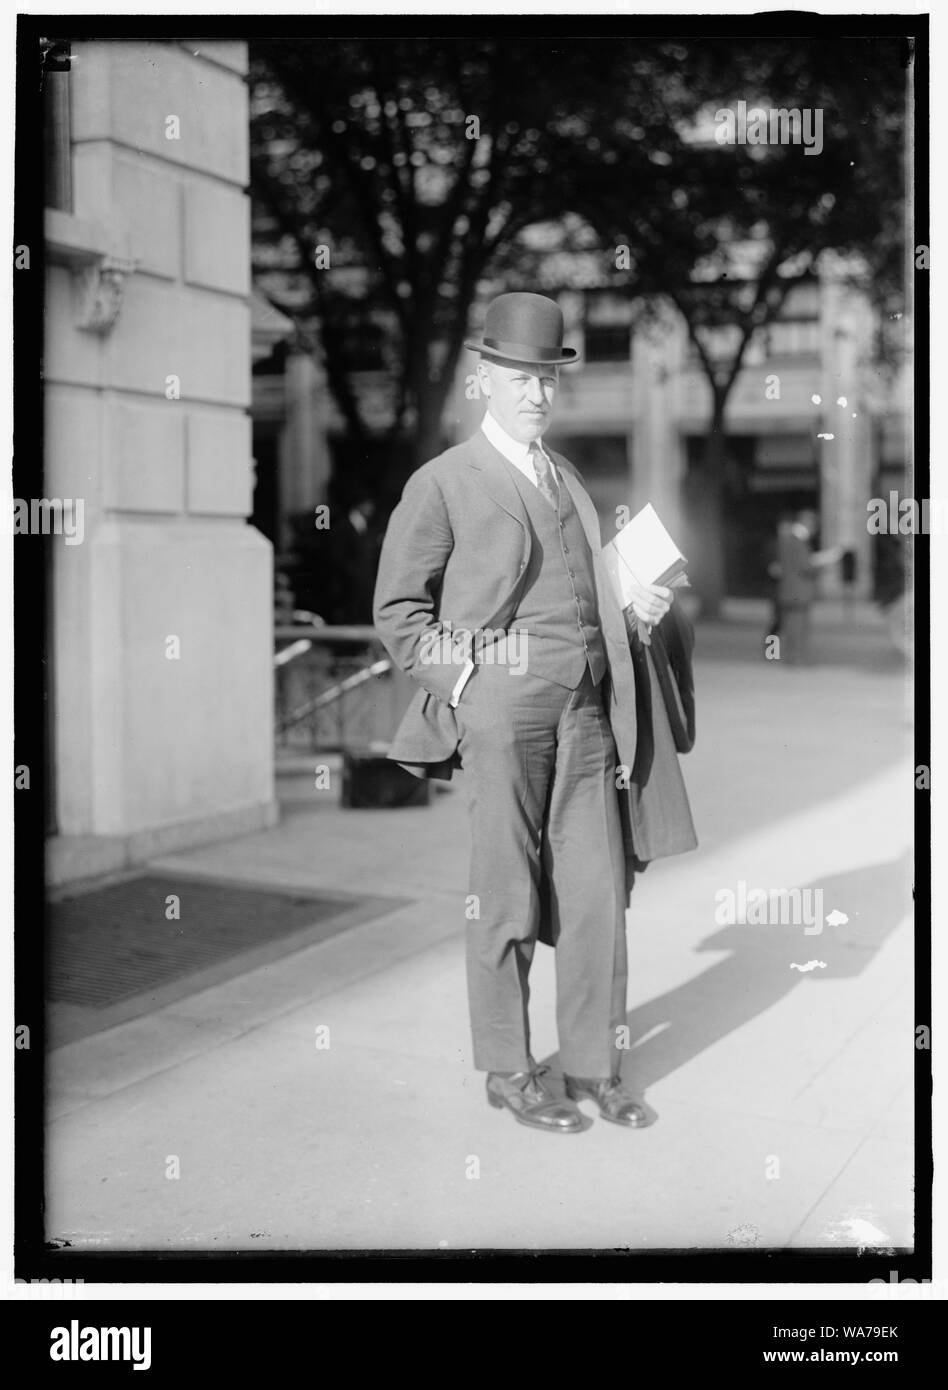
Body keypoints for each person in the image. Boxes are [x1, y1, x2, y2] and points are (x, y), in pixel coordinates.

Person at [373, 292, 694, 1134]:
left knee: (597, 895)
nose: (537, 393)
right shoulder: (443, 481)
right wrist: (469, 685)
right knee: (505, 892)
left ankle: (594, 1066)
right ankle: (509, 1070)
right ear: (483, 379)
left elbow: (590, 589)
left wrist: (635, 608)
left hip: (587, 713)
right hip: (501, 714)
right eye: (519, 376)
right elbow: (399, 611)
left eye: (547, 377)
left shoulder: (570, 481)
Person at [774, 508, 844, 666]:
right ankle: (796, 659)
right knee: (798, 627)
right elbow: (805, 566)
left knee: (792, 626)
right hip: (798, 591)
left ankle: (792, 658)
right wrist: (824, 563)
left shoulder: (786, 540)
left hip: (789, 590)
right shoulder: (798, 542)